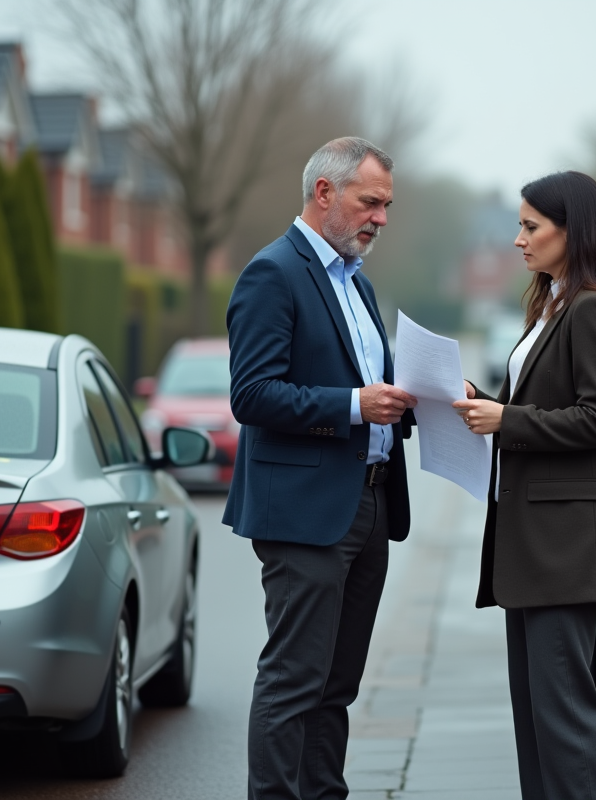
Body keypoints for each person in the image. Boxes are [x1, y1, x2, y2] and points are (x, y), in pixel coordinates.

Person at [453, 171, 596, 800]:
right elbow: (548, 406)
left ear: (574, 231)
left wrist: (505, 419)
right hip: (535, 543)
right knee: (539, 716)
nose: (518, 239)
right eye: (519, 224)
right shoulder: (555, 303)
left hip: (563, 546)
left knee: (567, 715)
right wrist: (482, 404)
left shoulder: (593, 307)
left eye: (530, 227)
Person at [225, 137, 417, 800]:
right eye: (371, 202)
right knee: (293, 682)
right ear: (325, 193)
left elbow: (369, 392)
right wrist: (355, 405)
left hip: (369, 506)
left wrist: (418, 404)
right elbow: (251, 395)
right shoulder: (272, 274)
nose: (382, 218)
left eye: (387, 205)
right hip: (305, 513)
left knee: (336, 686)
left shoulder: (354, 282)